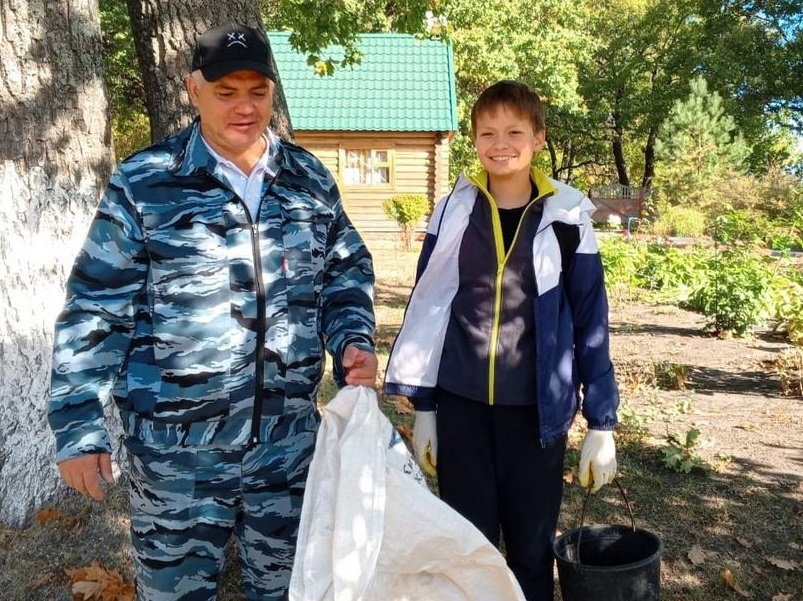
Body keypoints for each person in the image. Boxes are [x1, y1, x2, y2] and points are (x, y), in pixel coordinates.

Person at [48, 22, 377, 601]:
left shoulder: (307, 180)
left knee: (293, 590)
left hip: (287, 446)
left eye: (257, 91)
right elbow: (96, 307)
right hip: (177, 456)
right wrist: (79, 427)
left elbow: (343, 271)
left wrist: (352, 338)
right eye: (226, 92)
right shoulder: (146, 182)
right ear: (193, 89)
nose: (244, 107)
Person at [384, 80, 619, 601]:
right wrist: (426, 407)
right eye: (487, 131)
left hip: (536, 414)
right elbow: (429, 308)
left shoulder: (567, 217)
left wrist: (601, 423)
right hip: (461, 406)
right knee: (467, 545)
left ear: (538, 137)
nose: (500, 142)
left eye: (514, 130)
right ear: (474, 139)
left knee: (531, 551)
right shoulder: (452, 212)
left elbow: (590, 319)